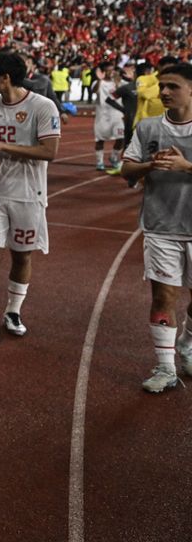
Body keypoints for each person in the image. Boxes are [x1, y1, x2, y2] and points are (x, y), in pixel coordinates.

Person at [0, 51, 61, 340]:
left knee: (21, 257)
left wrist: (1, 147)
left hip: (28, 194)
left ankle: (13, 311)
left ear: (5, 77)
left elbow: (50, 152)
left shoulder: (43, 107)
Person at [121, 62, 192, 393]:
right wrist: (150, 164)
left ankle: (188, 343)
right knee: (164, 295)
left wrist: (185, 166)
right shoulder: (148, 128)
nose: (164, 91)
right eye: (162, 85)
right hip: (160, 226)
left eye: (173, 86)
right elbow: (127, 171)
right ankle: (165, 367)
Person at [92, 62, 125, 174]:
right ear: (103, 71)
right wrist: (99, 80)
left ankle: (114, 157)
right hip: (102, 115)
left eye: (112, 70)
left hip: (117, 115)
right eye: (108, 70)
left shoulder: (119, 82)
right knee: (100, 140)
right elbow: (94, 91)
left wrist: (117, 82)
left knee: (121, 138)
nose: (111, 72)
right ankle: (99, 162)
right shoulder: (98, 83)